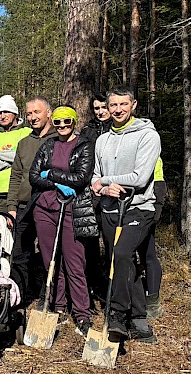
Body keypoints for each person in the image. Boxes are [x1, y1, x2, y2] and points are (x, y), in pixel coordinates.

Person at [91, 86, 161, 343]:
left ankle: (118, 314)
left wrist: (104, 182)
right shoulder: (102, 140)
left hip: (138, 207)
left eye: (123, 104)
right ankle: (139, 319)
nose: (118, 110)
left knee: (121, 254)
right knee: (120, 261)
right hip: (110, 208)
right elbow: (94, 178)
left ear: (133, 105)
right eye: (113, 105)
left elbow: (140, 179)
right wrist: (101, 186)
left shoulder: (147, 136)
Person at [28, 106, 98, 336]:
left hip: (72, 210)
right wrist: (56, 183)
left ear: (74, 122)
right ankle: (57, 307)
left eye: (67, 122)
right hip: (44, 209)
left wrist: (52, 174)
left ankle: (82, 314)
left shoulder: (84, 145)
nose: (62, 126)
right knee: (50, 262)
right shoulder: (48, 145)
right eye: (57, 123)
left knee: (74, 263)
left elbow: (80, 178)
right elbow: (34, 176)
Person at [5, 97, 57, 301]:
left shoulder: (58, 140)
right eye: (29, 113)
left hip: (49, 205)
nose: (33, 117)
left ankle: (49, 296)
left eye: (37, 112)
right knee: (19, 254)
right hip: (24, 206)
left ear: (48, 113)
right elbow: (16, 175)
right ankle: (21, 294)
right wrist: (12, 205)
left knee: (48, 254)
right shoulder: (24, 143)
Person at [78, 93, 111, 301]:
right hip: (90, 192)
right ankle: (91, 283)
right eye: (96, 108)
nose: (100, 112)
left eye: (103, 107)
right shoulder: (87, 130)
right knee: (89, 240)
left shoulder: (116, 129)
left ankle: (111, 284)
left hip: (111, 190)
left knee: (110, 242)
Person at [0, 95, 32, 212]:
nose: (2, 116)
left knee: (17, 229)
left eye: (6, 112)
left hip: (20, 193)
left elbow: (26, 158)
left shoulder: (27, 133)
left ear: (15, 113)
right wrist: (13, 162)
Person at [141, 157, 166, 319]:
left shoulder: (150, 146)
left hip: (153, 192)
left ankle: (153, 302)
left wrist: (157, 204)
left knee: (148, 253)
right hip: (135, 196)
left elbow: (157, 178)